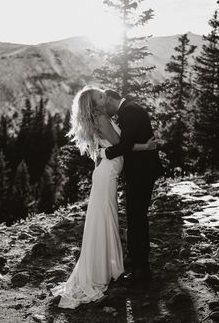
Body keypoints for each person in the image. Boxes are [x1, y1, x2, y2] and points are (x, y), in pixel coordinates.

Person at [50, 86, 156, 309]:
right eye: (100, 96)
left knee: (105, 219)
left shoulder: (101, 118)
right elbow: (121, 146)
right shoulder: (102, 119)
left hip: (108, 173)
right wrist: (145, 146)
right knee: (106, 219)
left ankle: (106, 266)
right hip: (108, 174)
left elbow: (116, 146)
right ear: (93, 104)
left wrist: (107, 153)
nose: (104, 96)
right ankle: (105, 268)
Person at [99, 89, 163, 285]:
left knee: (138, 216)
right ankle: (134, 257)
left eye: (103, 104)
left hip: (143, 172)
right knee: (134, 215)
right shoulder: (127, 110)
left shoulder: (130, 111)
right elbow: (131, 142)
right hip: (138, 172)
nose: (103, 109)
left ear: (110, 99)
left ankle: (142, 269)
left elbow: (126, 144)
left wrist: (103, 154)